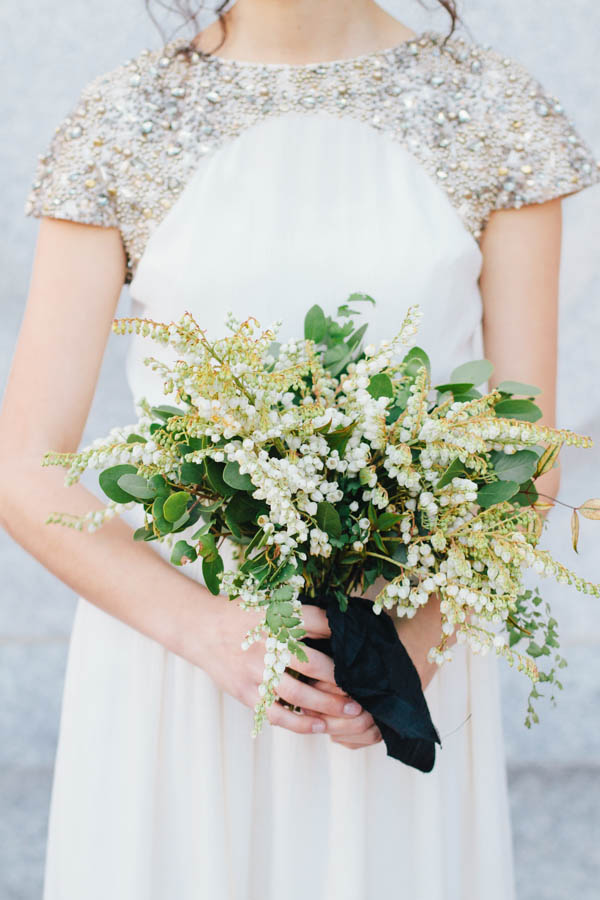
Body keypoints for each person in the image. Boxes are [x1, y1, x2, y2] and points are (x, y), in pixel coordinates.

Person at [2, 0, 599, 897]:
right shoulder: (126, 116)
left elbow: (526, 451)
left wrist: (415, 649)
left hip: (402, 638)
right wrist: (208, 634)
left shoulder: (492, 110)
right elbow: (25, 461)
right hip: (175, 654)